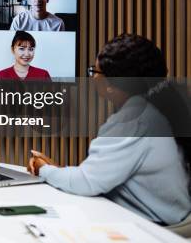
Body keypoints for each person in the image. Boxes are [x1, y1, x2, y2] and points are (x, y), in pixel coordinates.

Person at [28, 34, 191, 225]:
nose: (92, 77)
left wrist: (43, 170)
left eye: (94, 71)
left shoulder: (133, 120)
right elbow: (95, 176)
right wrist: (59, 171)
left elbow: (87, 183)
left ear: (111, 84)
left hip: (151, 230)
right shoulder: (155, 110)